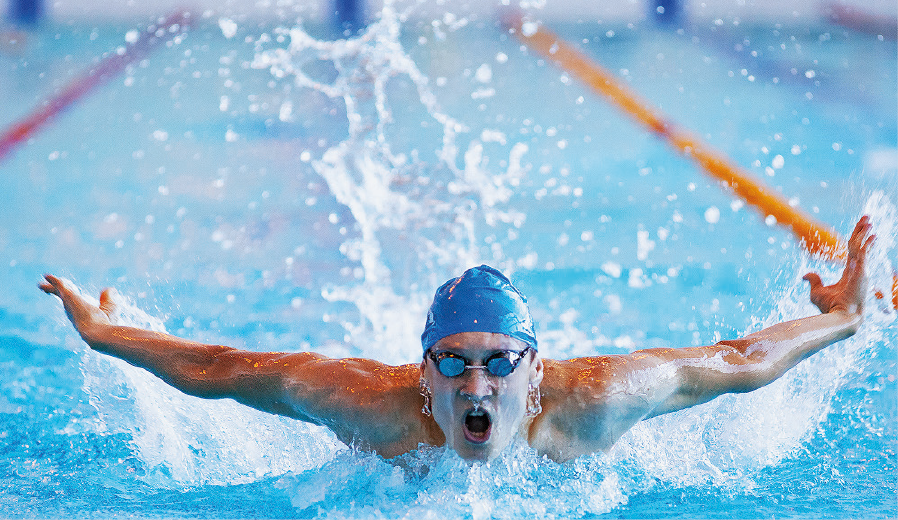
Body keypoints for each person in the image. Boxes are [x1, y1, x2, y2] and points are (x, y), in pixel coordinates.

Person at [40, 217, 875, 463]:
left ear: (534, 373)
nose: (477, 383)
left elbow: (735, 363)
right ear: (423, 371)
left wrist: (841, 318)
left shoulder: (595, 403)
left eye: (497, 363)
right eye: (453, 362)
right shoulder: (370, 406)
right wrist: (108, 334)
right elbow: (220, 370)